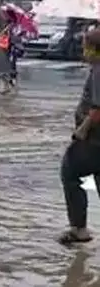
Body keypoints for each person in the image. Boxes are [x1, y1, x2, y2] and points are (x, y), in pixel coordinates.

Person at [58, 27, 100, 245]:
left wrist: (82, 130)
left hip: (93, 140)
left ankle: (79, 229)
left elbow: (97, 109)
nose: (82, 50)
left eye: (85, 46)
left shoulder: (99, 70)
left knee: (69, 171)